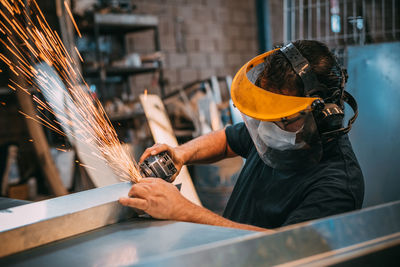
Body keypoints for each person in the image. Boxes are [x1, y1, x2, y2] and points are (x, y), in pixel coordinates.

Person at [119, 40, 364, 232]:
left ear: (322, 116)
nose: (267, 128)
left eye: (283, 119)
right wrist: (181, 153)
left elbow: (289, 249)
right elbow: (228, 140)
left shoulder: (338, 184)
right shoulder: (276, 133)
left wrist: (186, 212)